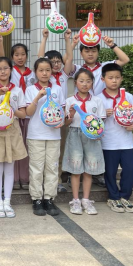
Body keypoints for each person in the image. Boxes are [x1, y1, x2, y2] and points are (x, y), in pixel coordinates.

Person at [70, 35, 130, 189]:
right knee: (80, 145)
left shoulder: (105, 66)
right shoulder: (78, 69)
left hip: (102, 110)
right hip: (83, 112)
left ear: (98, 52)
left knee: (99, 142)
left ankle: (98, 174)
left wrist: (112, 45)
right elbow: (66, 63)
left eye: (93, 51)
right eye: (86, 51)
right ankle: (77, 174)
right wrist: (72, 44)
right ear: (81, 53)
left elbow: (124, 60)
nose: (90, 54)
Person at [0, 57, 28, 219]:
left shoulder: (17, 90)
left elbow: (23, 114)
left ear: (11, 70)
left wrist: (10, 109)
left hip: (12, 129)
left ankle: (7, 202)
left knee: (9, 168)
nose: (3, 71)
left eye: (6, 68)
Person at [25, 58, 66, 217]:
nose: (44, 73)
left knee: (52, 167)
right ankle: (36, 199)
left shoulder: (58, 89)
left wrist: (60, 122)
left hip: (54, 135)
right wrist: (37, 97)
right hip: (36, 134)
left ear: (52, 71)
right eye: (41, 70)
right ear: (35, 72)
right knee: (36, 167)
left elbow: (62, 111)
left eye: (47, 70)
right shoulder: (30, 90)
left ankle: (49, 198)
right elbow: (28, 113)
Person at [63, 69, 107, 216]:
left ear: (92, 83)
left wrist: (98, 133)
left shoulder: (97, 101)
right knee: (76, 169)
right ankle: (75, 200)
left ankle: (86, 200)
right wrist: (71, 115)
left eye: (88, 81)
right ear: (75, 83)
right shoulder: (70, 101)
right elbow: (66, 123)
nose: (85, 84)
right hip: (75, 134)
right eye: (81, 81)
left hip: (91, 136)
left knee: (89, 169)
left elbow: (101, 120)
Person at [38, 28, 75, 194]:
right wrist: (44, 38)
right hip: (45, 117)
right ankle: (43, 180)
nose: (56, 64)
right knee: (43, 152)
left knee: (58, 150)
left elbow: (70, 58)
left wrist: (67, 39)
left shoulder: (64, 75)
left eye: (58, 61)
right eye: (52, 62)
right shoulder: (47, 76)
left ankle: (57, 180)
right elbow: (40, 58)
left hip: (61, 117)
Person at [100, 63, 133, 213]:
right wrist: (103, 115)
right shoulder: (98, 99)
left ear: (122, 78)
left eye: (117, 77)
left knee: (130, 170)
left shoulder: (128, 96)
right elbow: (94, 122)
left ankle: (125, 196)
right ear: (103, 79)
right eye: (110, 77)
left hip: (126, 142)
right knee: (110, 172)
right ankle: (113, 197)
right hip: (108, 142)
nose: (114, 80)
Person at [10, 44, 35, 190]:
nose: (20, 57)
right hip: (14, 114)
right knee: (14, 145)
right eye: (16, 55)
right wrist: (0, 42)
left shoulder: (33, 74)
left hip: (28, 115)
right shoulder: (10, 71)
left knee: (25, 146)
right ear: (12, 57)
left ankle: (25, 177)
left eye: (23, 54)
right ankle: (14, 177)